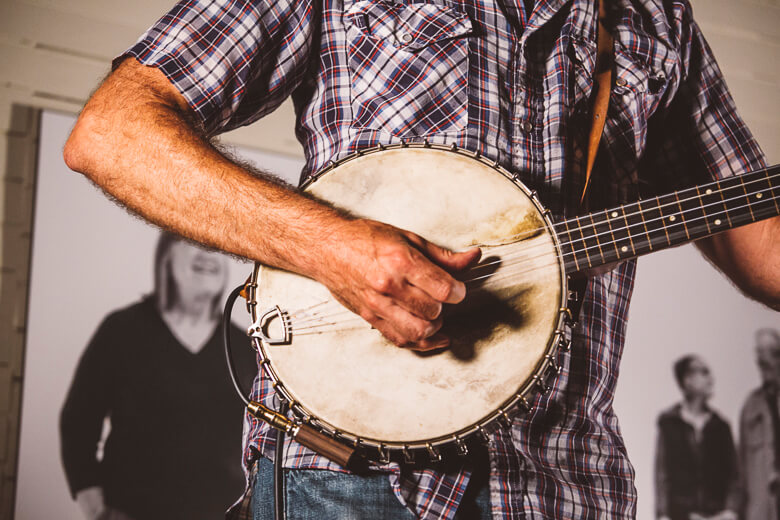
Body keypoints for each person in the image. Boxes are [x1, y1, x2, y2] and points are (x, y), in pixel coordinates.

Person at [61, 0, 780, 517]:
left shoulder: (657, 19)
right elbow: (114, 131)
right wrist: (333, 246)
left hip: (569, 485)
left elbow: (766, 254)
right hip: (355, 480)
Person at [60, 233, 257, 520]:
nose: (208, 254)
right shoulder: (122, 330)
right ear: (166, 255)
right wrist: (92, 501)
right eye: (193, 241)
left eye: (215, 247)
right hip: (130, 510)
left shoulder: (244, 346)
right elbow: (79, 419)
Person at [655, 355, 738, 520]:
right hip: (681, 516)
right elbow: (662, 474)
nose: (711, 379)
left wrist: (731, 510)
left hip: (717, 516)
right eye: (704, 373)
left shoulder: (721, 426)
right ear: (688, 380)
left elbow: (734, 475)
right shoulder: (669, 423)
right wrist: (663, 514)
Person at [740, 328, 780, 520]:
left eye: (769, 360)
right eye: (760, 362)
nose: (764, 368)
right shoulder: (751, 406)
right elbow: (742, 466)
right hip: (762, 509)